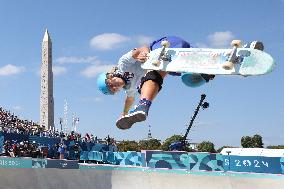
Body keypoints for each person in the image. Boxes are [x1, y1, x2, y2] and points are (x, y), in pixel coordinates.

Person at [97, 36, 215, 130]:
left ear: (110, 76)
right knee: (190, 80)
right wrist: (124, 113)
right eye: (113, 90)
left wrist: (144, 53)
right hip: (178, 60)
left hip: (162, 46)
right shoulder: (129, 87)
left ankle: (144, 104)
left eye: (111, 84)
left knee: (152, 72)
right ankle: (204, 71)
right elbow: (129, 99)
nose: (114, 87)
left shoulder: (123, 64)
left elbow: (142, 48)